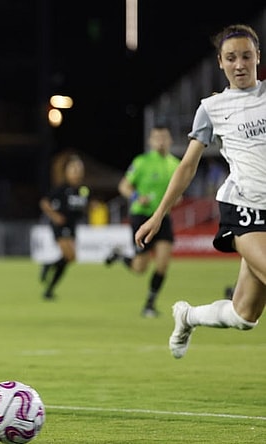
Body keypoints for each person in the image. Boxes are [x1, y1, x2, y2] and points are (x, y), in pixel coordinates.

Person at [135, 24, 264, 359]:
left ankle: (188, 316)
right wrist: (158, 214)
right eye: (231, 57)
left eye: (246, 56)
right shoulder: (212, 108)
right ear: (220, 63)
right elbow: (187, 166)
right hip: (245, 209)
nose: (239, 64)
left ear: (258, 58)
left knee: (243, 316)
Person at [105, 124, 180, 317]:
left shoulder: (175, 164)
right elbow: (124, 186)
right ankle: (121, 256)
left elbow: (178, 193)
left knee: (163, 263)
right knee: (140, 267)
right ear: (150, 141)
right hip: (141, 216)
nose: (161, 141)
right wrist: (137, 197)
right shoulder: (141, 162)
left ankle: (149, 304)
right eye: (157, 137)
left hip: (163, 217)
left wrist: (175, 199)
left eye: (164, 137)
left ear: (170, 140)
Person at [38, 154, 89, 300]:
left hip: (72, 226)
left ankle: (49, 286)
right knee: (70, 256)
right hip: (60, 225)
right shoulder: (62, 189)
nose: (77, 172)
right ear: (66, 172)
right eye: (73, 169)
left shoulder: (83, 190)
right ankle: (48, 273)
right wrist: (55, 216)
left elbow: (83, 207)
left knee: (69, 259)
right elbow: (44, 203)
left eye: (79, 169)